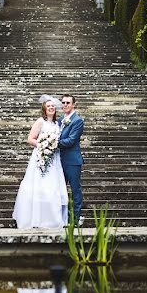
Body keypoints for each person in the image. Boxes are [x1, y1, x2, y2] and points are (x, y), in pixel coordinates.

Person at [12, 95, 68, 229]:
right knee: (39, 185)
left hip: (54, 158)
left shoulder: (57, 124)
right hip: (40, 156)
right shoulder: (40, 122)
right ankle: (35, 218)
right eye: (48, 106)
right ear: (44, 109)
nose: (51, 108)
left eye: (53, 106)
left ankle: (52, 219)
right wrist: (43, 145)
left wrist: (52, 145)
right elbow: (30, 139)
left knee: (52, 186)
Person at [59, 94, 85, 226]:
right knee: (59, 190)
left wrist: (52, 143)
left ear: (74, 104)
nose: (65, 105)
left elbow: (71, 140)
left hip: (73, 161)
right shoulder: (60, 119)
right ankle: (63, 217)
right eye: (63, 102)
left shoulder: (77, 120)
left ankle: (76, 218)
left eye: (68, 102)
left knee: (75, 189)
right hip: (59, 161)